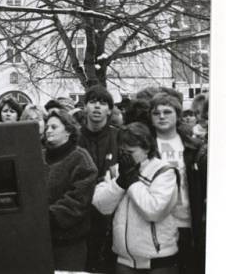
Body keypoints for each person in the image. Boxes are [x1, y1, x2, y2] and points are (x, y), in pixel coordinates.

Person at [92, 122, 181, 273]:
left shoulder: (164, 172)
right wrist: (120, 183)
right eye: (122, 152)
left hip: (157, 261)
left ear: (146, 148)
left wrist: (133, 182)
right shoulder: (118, 171)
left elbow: (154, 211)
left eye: (131, 152)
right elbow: (101, 205)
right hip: (123, 260)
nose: (125, 157)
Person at [149, 92, 205, 274]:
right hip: (159, 222)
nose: (162, 116)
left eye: (167, 112)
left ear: (178, 115)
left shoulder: (192, 146)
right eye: (156, 113)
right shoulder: (146, 145)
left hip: (187, 220)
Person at [43, 109, 98, 271]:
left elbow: (78, 199)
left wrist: (49, 215)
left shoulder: (81, 159)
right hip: (41, 240)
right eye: (47, 127)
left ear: (68, 131)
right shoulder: (37, 156)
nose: (48, 131)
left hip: (69, 244)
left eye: (54, 127)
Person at [76, 85, 121, 273]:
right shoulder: (74, 137)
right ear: (85, 107)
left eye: (103, 103)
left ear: (109, 110)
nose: (97, 107)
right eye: (92, 102)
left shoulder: (118, 136)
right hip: (81, 212)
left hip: (112, 213)